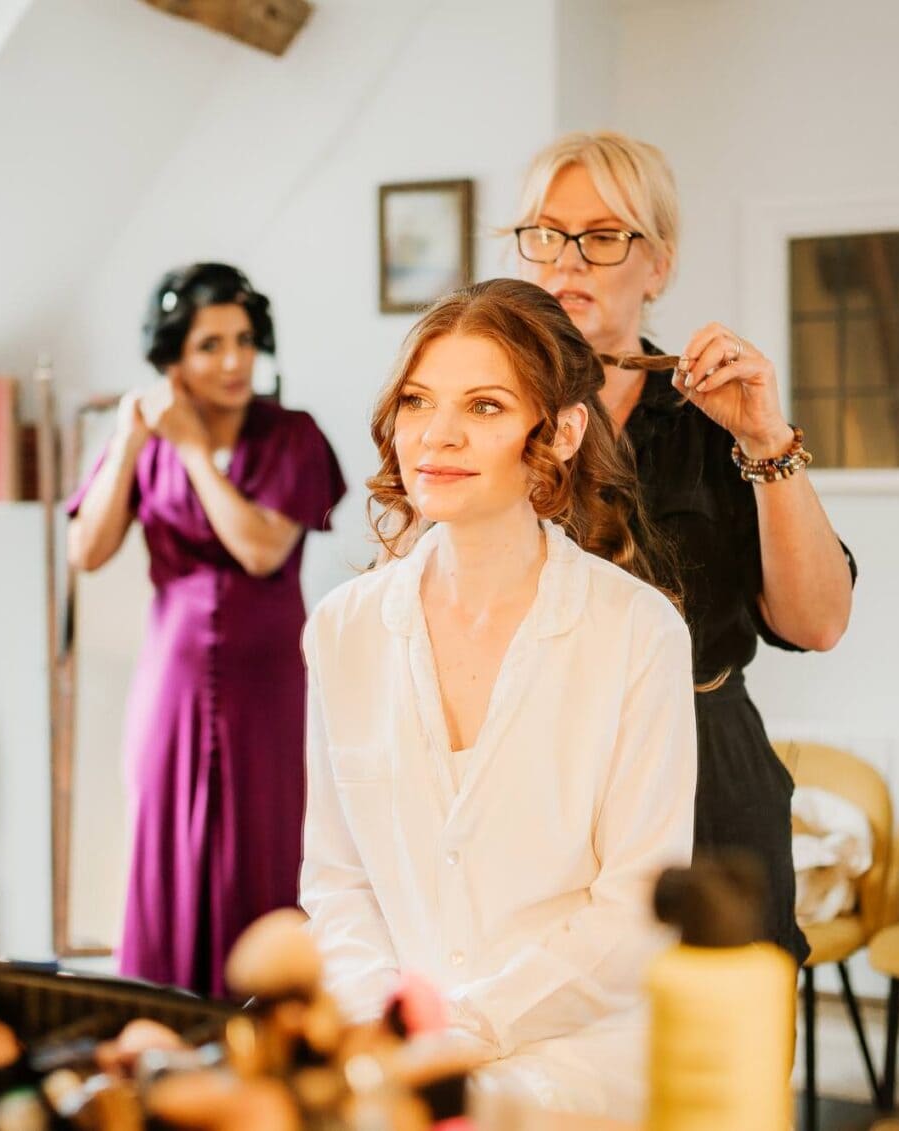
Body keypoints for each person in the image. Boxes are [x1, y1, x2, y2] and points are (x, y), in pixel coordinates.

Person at [300, 278, 696, 1120]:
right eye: (417, 401)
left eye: (483, 406)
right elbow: (338, 882)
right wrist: (385, 1025)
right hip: (390, 1052)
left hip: (575, 1056)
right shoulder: (344, 631)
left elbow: (635, 912)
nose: (436, 436)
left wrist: (458, 1031)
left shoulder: (636, 633)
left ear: (557, 432)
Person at [511, 132, 858, 963]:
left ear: (656, 264)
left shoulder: (715, 417)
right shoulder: (495, 415)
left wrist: (766, 437)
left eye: (602, 236)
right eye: (545, 234)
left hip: (708, 775)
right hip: (542, 776)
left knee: (719, 1052)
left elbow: (817, 622)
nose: (569, 261)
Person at [67, 262, 346, 997]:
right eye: (210, 345)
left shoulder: (292, 435)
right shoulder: (147, 439)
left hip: (271, 678)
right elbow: (85, 550)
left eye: (245, 341)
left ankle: (265, 1010)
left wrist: (192, 448)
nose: (233, 361)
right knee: (166, 841)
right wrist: (130, 442)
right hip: (173, 676)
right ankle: (164, 1012)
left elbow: (260, 547)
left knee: (268, 834)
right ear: (171, 360)